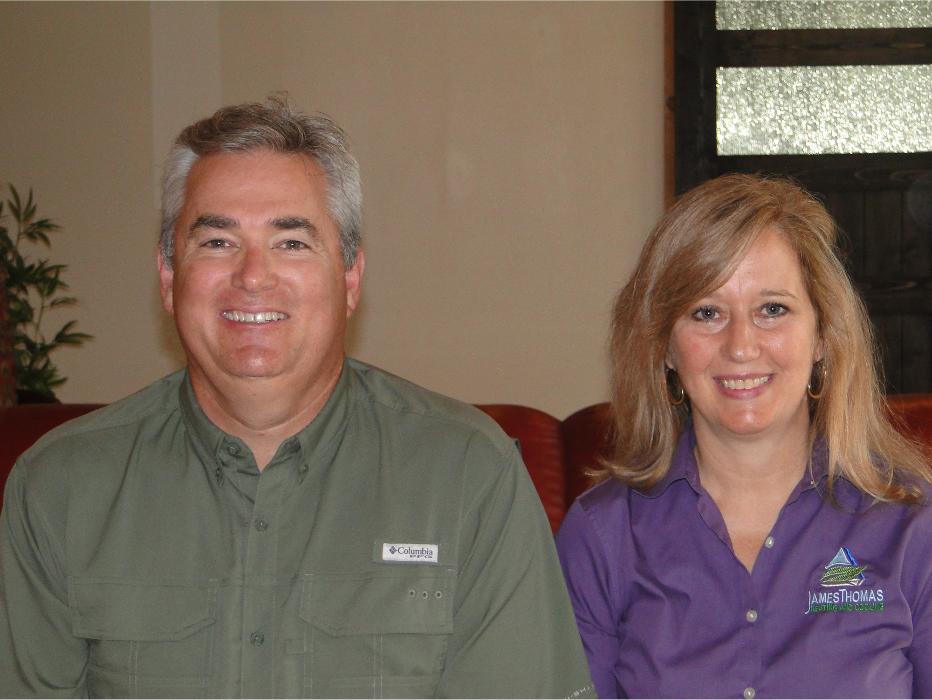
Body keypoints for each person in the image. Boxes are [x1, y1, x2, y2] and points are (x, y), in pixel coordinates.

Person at [0, 97, 595, 698]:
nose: (253, 276)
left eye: (291, 242)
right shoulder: (60, 487)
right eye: (217, 241)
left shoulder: (469, 474)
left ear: (350, 277)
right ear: (168, 276)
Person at [556, 173, 932, 698]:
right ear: (664, 347)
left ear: (823, 336)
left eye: (772, 309)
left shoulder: (913, 527)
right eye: (707, 313)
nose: (740, 346)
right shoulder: (601, 535)